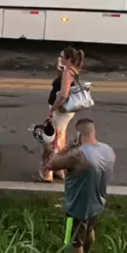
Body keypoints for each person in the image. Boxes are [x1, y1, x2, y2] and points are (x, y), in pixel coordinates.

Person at [48, 118, 115, 253]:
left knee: (73, 241)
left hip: (76, 207)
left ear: (78, 134)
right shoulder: (108, 150)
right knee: (90, 229)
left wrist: (66, 147)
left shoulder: (77, 155)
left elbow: (51, 164)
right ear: (93, 131)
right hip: (97, 202)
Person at [39, 46, 85, 182]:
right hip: (66, 112)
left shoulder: (67, 73)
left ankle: (47, 171)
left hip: (60, 112)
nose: (58, 58)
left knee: (51, 141)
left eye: (61, 56)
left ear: (68, 59)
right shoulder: (73, 71)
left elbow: (64, 94)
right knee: (59, 139)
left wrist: (53, 108)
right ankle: (58, 170)